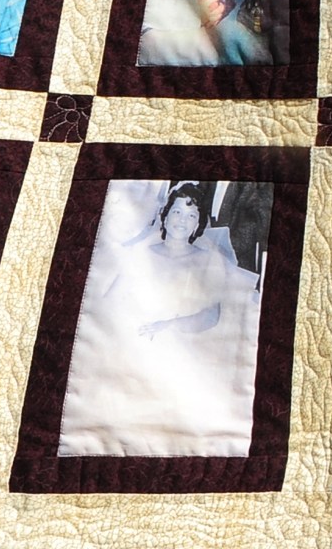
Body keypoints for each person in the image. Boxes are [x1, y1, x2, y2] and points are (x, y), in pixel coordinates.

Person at [61, 181, 259, 457]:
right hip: (135, 342)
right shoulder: (141, 254)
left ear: (198, 225)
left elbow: (212, 314)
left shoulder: (206, 260)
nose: (182, 221)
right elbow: (112, 302)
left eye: (191, 216)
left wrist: (170, 326)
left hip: (183, 344)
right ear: (165, 216)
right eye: (177, 212)